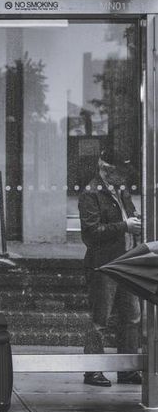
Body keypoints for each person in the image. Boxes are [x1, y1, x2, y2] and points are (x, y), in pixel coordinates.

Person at [78, 148, 142, 387]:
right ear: (106, 170)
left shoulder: (119, 190)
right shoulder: (90, 194)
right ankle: (92, 370)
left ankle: (127, 369)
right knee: (100, 319)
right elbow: (91, 234)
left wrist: (134, 220)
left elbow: (129, 213)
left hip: (126, 260)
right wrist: (125, 226)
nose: (125, 177)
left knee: (132, 317)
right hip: (103, 263)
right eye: (120, 173)